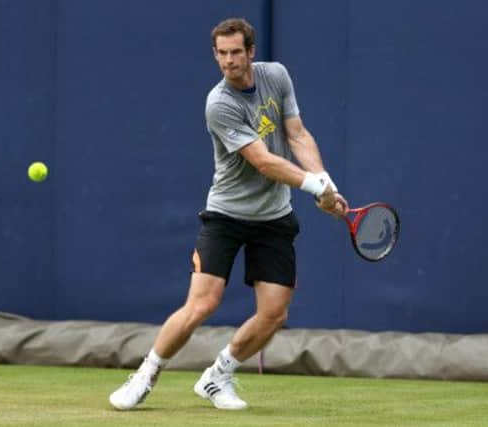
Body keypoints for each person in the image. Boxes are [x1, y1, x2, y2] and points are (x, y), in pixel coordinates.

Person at [109, 17, 347, 411]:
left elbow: (297, 134)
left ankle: (219, 374)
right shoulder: (218, 103)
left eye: (236, 52)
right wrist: (314, 187)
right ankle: (146, 374)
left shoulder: (277, 76)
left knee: (274, 314)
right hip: (227, 215)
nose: (229, 61)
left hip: (273, 217)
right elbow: (264, 162)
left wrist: (326, 182)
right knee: (202, 304)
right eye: (221, 53)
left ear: (251, 52)